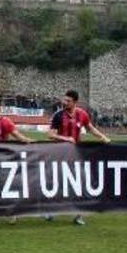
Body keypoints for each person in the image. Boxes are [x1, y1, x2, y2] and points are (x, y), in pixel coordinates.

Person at [46, 90, 110, 226]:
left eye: (68, 101)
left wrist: (102, 137)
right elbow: (50, 134)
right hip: (60, 154)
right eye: (64, 100)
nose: (64, 102)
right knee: (58, 183)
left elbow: (90, 128)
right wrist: (66, 138)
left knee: (80, 184)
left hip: (77, 154)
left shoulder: (82, 114)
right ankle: (50, 209)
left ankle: (78, 215)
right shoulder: (58, 115)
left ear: (75, 102)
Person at [0, 97, 34, 224]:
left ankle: (12, 213)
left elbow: (17, 135)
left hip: (4, 158)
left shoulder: (5, 122)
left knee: (7, 186)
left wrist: (28, 140)